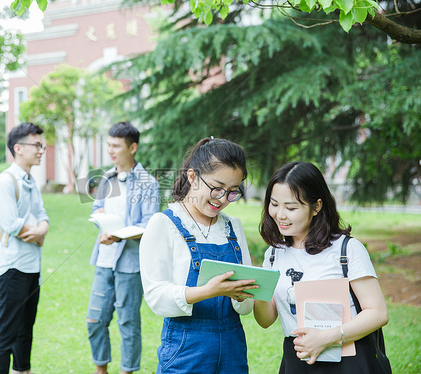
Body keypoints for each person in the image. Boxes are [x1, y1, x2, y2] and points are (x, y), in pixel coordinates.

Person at [254, 161, 389, 373]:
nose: (280, 214)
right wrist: (253, 291)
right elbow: (265, 320)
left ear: (316, 206)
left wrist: (327, 337)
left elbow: (378, 313)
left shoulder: (347, 249)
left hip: (347, 358)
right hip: (296, 358)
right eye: (274, 204)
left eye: (291, 207)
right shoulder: (273, 253)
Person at [139, 138, 257, 374]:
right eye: (216, 187)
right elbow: (156, 296)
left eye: (233, 192)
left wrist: (242, 296)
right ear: (192, 177)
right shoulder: (164, 224)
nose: (222, 199)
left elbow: (247, 307)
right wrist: (208, 291)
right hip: (186, 349)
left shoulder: (233, 227)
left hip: (233, 348)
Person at [86, 121, 160, 374]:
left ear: (133, 147)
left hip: (129, 264)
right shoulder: (106, 178)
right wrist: (102, 221)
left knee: (128, 322)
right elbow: (98, 209)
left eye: (116, 145)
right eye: (109, 145)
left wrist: (120, 236)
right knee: (95, 319)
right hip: (103, 259)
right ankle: (101, 369)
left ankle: (127, 371)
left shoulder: (147, 183)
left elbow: (150, 223)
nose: (111, 150)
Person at [0, 122, 50, 374]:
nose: (41, 150)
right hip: (12, 268)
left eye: (42, 145)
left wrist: (39, 231)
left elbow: (43, 216)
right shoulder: (5, 181)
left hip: (31, 267)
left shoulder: (30, 181)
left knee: (25, 330)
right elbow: (12, 225)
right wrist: (38, 233)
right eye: (36, 145)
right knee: (6, 333)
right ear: (18, 148)